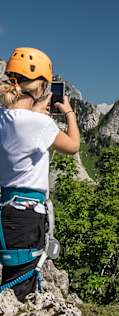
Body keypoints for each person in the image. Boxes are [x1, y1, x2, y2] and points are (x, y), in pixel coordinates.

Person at [0, 47, 80, 300]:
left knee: (10, 277)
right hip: (28, 215)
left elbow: (18, 123)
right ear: (42, 87)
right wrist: (69, 113)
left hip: (6, 208)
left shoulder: (4, 117)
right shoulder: (40, 124)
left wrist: (35, 111)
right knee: (20, 288)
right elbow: (73, 145)